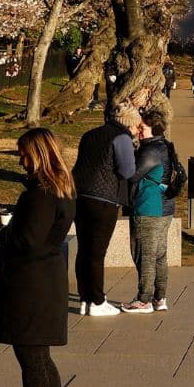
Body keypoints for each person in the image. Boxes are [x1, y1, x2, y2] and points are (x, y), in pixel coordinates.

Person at [0, 129, 76, 387]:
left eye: (23, 154)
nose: (20, 160)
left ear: (38, 154)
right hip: (47, 280)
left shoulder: (39, 195)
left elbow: (26, 241)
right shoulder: (61, 189)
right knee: (42, 355)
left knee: (32, 357)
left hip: (31, 285)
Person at [71, 104, 138, 316]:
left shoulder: (89, 134)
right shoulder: (122, 139)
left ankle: (85, 298)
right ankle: (97, 301)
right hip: (104, 200)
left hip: (80, 196)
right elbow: (127, 170)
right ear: (128, 122)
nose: (137, 129)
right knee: (97, 252)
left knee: (84, 250)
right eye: (136, 124)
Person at [121, 110, 179, 313]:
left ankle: (143, 300)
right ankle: (159, 297)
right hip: (165, 207)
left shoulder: (150, 150)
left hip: (148, 207)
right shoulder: (165, 145)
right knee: (159, 255)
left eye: (142, 127)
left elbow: (131, 175)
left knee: (144, 254)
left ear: (153, 129)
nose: (138, 130)